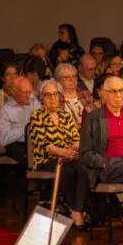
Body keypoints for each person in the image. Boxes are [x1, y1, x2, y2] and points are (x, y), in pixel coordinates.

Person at [30, 82, 88, 229]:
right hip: (46, 159)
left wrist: (80, 149)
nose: (52, 98)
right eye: (48, 95)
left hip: (67, 157)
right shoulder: (37, 116)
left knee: (82, 168)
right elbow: (45, 145)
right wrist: (64, 152)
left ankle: (76, 210)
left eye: (55, 94)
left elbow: (75, 140)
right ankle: (76, 211)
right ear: (42, 98)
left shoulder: (65, 116)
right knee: (67, 171)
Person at [79, 75, 123, 188]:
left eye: (121, 91)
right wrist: (104, 163)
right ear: (104, 93)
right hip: (109, 167)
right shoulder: (93, 118)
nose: (118, 95)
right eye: (113, 91)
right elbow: (85, 153)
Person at [0, 77, 41, 168]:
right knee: (26, 157)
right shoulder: (5, 111)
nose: (28, 96)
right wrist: (26, 128)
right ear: (14, 91)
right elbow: (3, 139)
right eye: (24, 92)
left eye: (29, 92)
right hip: (16, 144)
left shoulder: (35, 104)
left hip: (35, 141)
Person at [54, 62, 96, 127]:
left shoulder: (85, 93)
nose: (72, 80)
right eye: (67, 77)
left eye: (74, 76)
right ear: (58, 80)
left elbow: (95, 115)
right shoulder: (55, 97)